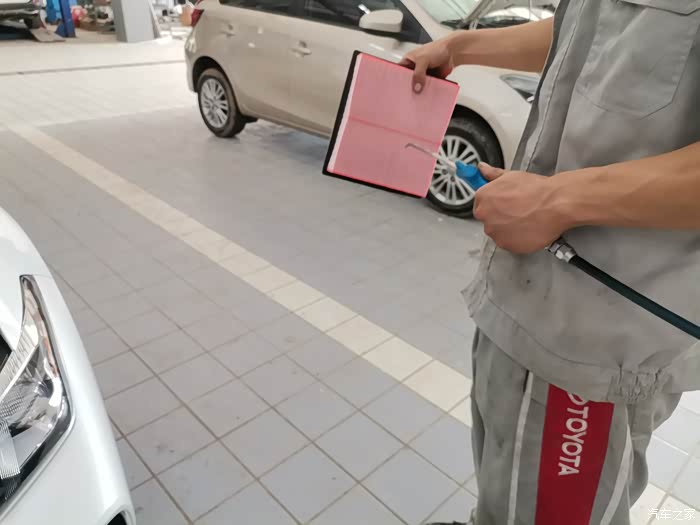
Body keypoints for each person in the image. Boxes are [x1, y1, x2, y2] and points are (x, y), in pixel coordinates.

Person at [401, 2, 700, 524]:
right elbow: (585, 30)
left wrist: (557, 200)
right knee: (505, 501)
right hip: (521, 303)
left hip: (595, 340)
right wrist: (461, 46)